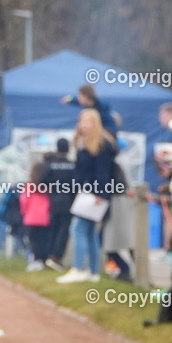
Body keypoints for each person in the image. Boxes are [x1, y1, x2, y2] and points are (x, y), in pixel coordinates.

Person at [56, 109, 116, 283]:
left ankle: (79, 268)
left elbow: (103, 172)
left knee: (78, 229)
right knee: (89, 232)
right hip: (84, 193)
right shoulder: (83, 143)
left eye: (88, 122)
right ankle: (94, 272)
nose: (83, 125)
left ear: (95, 123)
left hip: (93, 194)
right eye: (81, 121)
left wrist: (100, 193)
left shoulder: (101, 144)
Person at [41, 138, 76, 272]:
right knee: (63, 230)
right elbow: (77, 183)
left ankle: (49, 257)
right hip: (68, 202)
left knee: (53, 229)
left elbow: (43, 181)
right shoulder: (72, 165)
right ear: (68, 149)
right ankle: (57, 258)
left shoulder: (51, 164)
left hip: (53, 201)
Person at [19, 161, 51, 271]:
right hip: (45, 219)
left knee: (33, 242)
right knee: (43, 241)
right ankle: (43, 260)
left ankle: (36, 261)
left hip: (31, 218)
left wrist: (24, 212)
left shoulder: (29, 185)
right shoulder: (47, 187)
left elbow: (24, 201)